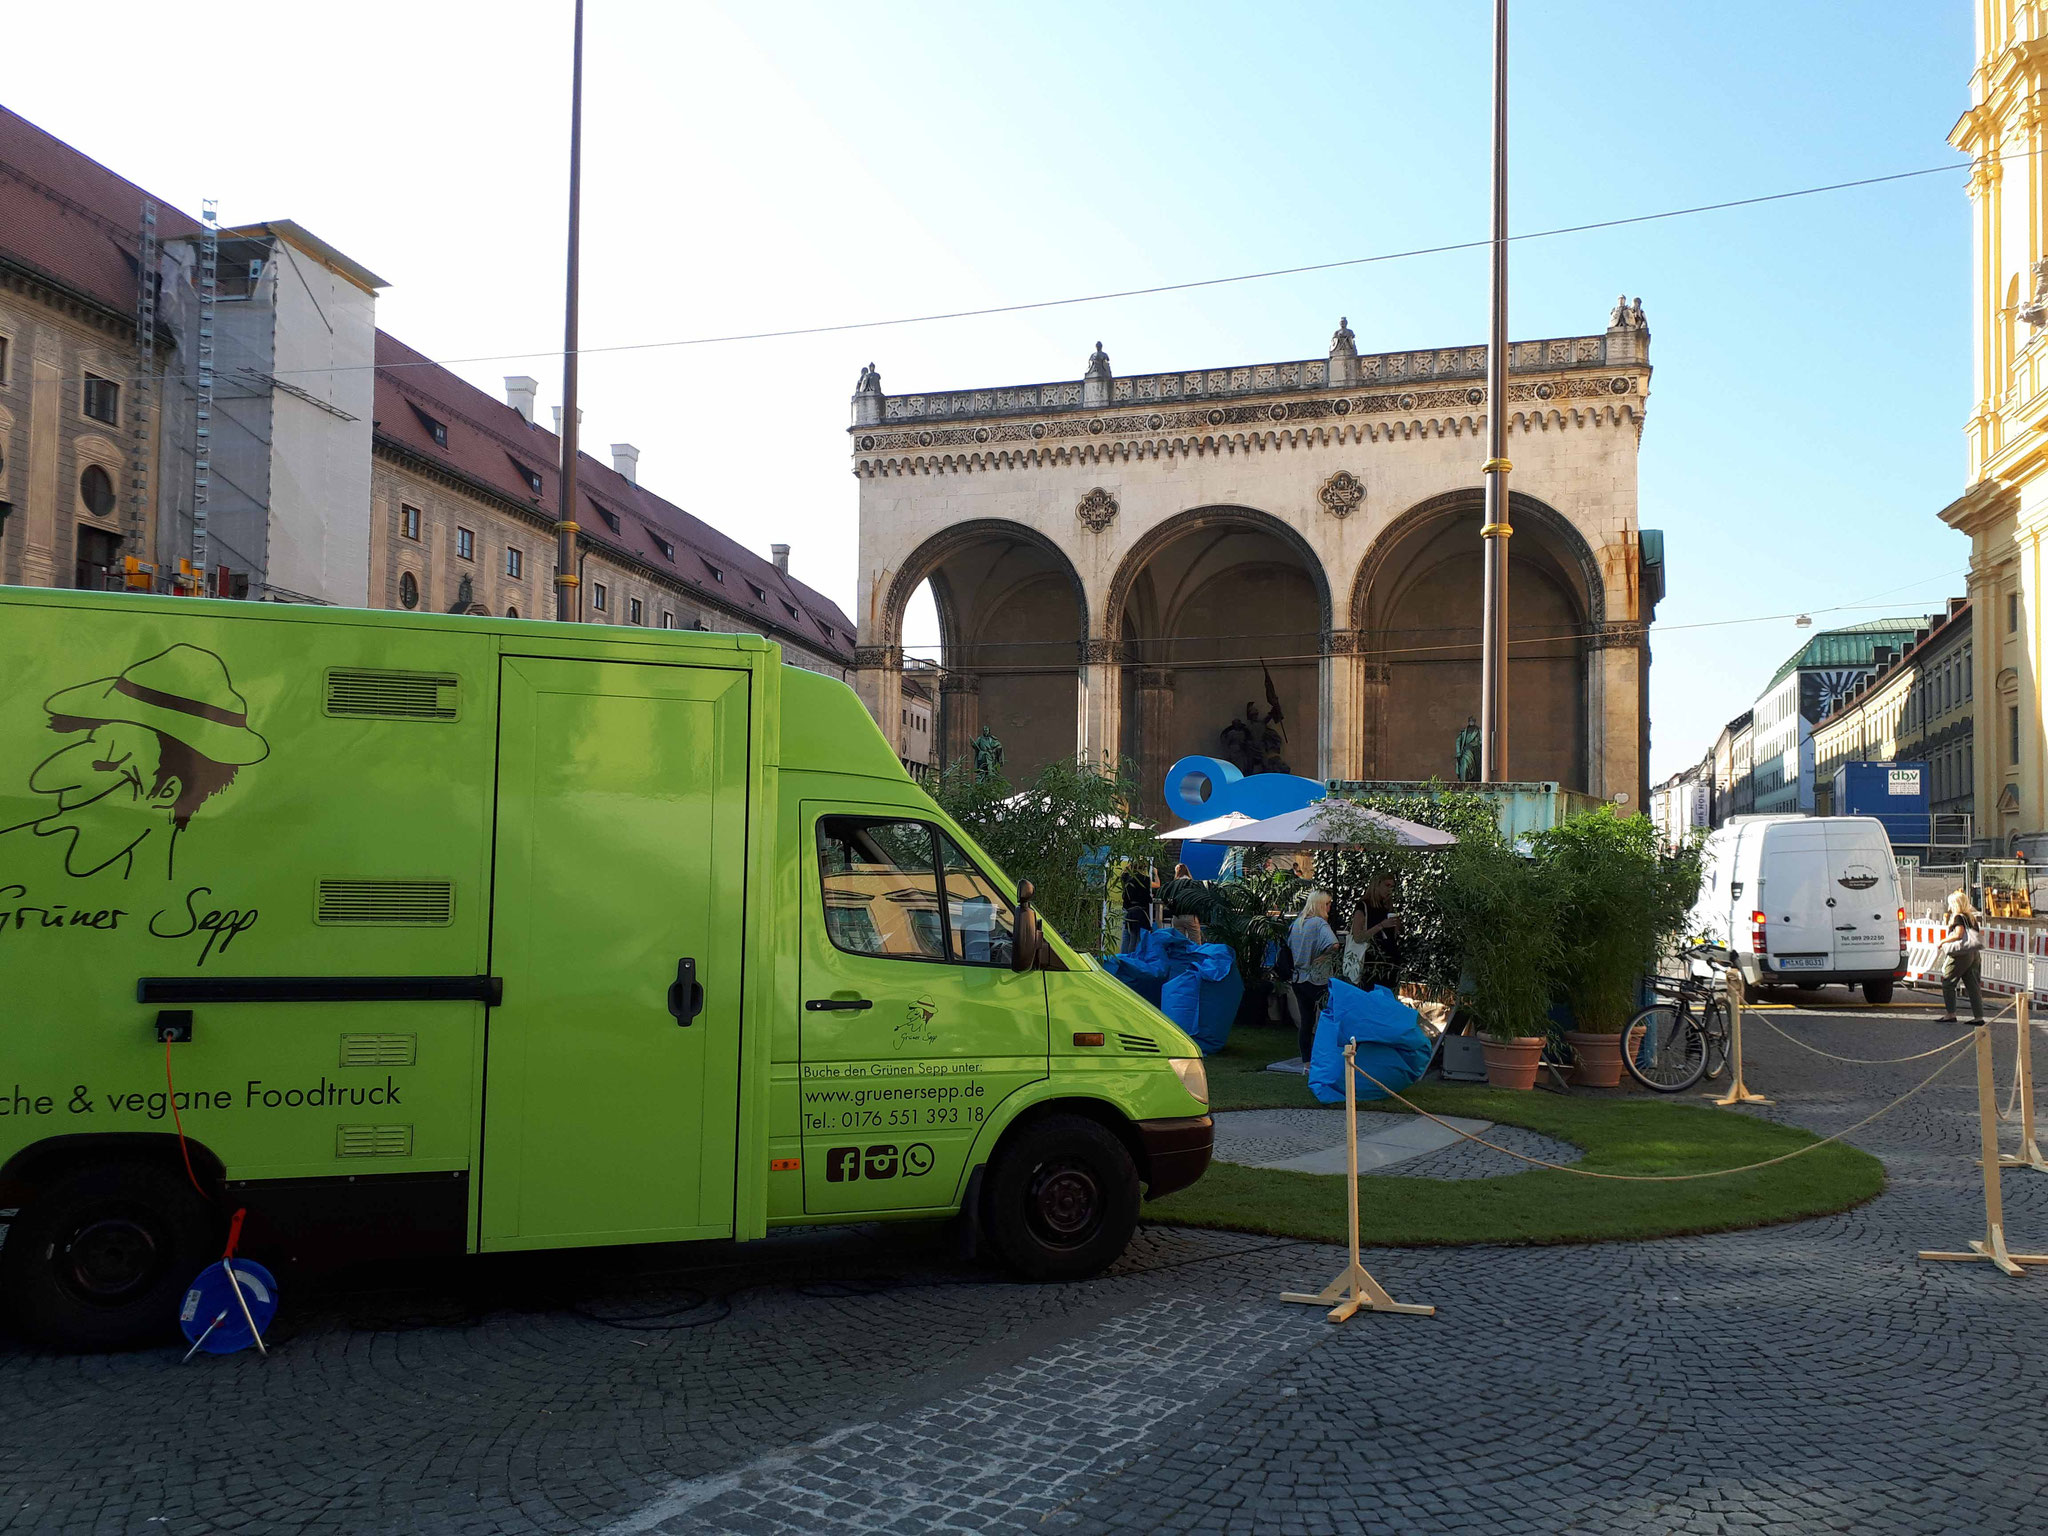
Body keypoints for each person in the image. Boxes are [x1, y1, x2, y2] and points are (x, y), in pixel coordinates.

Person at [1287, 890, 1340, 1063]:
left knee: (1306, 1020)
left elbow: (1288, 946)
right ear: (1321, 905)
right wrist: (1322, 957)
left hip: (1298, 978)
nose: (1330, 907)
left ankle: (1306, 1059)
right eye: (1328, 904)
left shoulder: (1297, 923)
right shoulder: (1319, 923)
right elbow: (1334, 944)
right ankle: (1325, 1055)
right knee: (1326, 1017)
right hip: (1317, 978)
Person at [1938, 890, 1986, 1026]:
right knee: (1973, 986)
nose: (1949, 906)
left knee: (1948, 982)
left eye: (1951, 903)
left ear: (1955, 904)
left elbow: (1959, 934)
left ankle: (1950, 1014)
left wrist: (1943, 941)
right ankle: (1978, 1017)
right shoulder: (1971, 917)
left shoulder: (1958, 917)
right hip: (1974, 953)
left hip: (1960, 954)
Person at [1119, 862, 1157, 952]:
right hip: (1140, 910)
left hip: (1128, 909)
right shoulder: (1145, 879)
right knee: (1136, 937)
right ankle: (1133, 958)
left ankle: (1123, 956)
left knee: (1127, 935)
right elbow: (1147, 898)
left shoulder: (1126, 879)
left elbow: (1123, 875)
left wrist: (1129, 866)